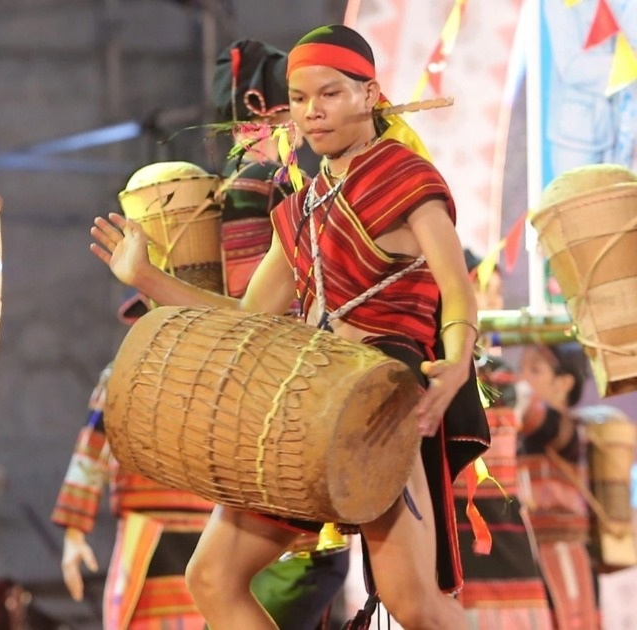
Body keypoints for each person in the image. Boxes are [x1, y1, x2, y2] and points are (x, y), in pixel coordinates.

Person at [89, 24, 489, 630]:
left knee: (416, 607)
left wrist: (457, 364)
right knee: (213, 577)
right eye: (300, 99)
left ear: (370, 94)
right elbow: (250, 318)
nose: (311, 113)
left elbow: (457, 287)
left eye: (328, 94)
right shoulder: (302, 203)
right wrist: (145, 276)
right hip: (306, 403)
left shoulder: (405, 177)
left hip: (380, 400)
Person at [454, 250, 553, 628]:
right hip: (461, 528)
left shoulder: (500, 375)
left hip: (503, 528)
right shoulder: (436, 367)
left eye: (497, 293)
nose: (494, 303)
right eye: (484, 290)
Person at [517, 342, 600, 627]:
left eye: (535, 370)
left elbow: (541, 419)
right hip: (526, 552)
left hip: (562, 551)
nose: (523, 379)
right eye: (521, 370)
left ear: (565, 383)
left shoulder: (567, 430)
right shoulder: (523, 435)